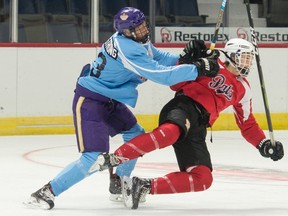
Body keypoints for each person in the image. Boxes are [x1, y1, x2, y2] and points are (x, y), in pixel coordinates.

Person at [24, 7, 220, 210]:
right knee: (92, 157)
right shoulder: (128, 49)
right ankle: (46, 191)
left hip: (109, 100)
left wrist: (186, 58)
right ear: (126, 32)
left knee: (135, 134)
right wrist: (197, 68)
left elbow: (158, 57)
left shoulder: (137, 40)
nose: (144, 30)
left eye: (144, 25)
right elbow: (162, 75)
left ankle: (118, 182)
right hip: (90, 101)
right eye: (138, 28)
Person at [92, 38, 285, 209]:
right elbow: (174, 85)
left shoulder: (244, 89)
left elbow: (247, 124)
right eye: (245, 57)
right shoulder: (211, 62)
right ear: (231, 55)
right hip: (183, 107)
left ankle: (142, 186)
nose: (248, 63)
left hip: (199, 126)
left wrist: (263, 144)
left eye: (250, 59)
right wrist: (188, 61)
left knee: (203, 178)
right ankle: (115, 158)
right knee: (171, 132)